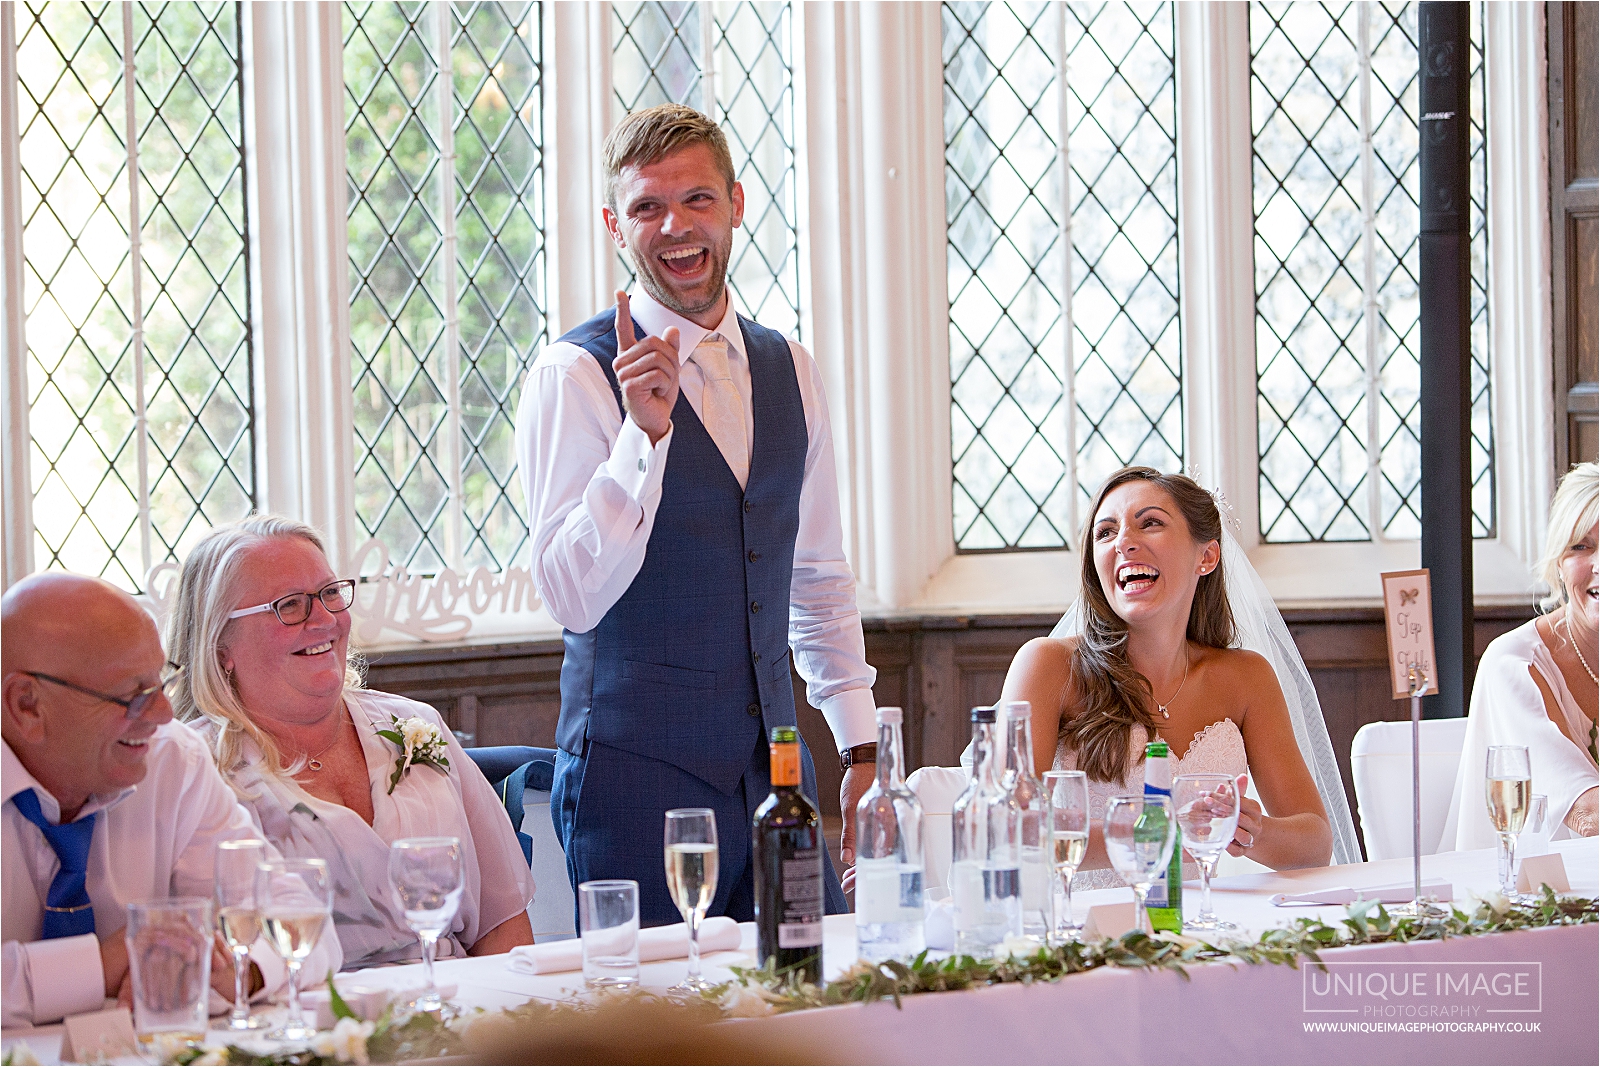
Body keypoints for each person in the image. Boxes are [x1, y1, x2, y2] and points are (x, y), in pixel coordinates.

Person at [514, 103, 876, 925]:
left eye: (698, 200)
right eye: (647, 206)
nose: (676, 226)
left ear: (737, 204)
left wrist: (858, 744)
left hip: (778, 775)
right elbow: (571, 596)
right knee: (660, 1035)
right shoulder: (573, 375)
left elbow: (815, 578)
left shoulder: (792, 369)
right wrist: (642, 441)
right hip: (635, 785)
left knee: (811, 1016)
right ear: (616, 224)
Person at [168, 516, 534, 968]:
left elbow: (504, 924)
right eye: (290, 605)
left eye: (329, 594)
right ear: (220, 644)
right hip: (314, 1021)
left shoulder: (414, 725)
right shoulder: (193, 769)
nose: (323, 619)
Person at [987, 467, 1359, 884]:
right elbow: (1006, 828)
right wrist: (1158, 831)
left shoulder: (1246, 677)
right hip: (1084, 929)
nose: (1124, 542)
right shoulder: (1048, 665)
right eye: (1106, 533)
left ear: (1207, 557)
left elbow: (1314, 844)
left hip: (1207, 928)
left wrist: (1252, 830)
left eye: (1150, 523)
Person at [3, 572, 340, 1028]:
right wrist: (109, 962)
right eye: (131, 696)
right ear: (27, 705)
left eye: (161, 681)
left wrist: (227, 974)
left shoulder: (171, 761)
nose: (163, 714)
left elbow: (304, 921)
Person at [1445, 462, 1598, 849]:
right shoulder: (1513, 665)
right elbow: (1588, 816)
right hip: (1535, 897)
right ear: (1559, 565)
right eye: (1581, 546)